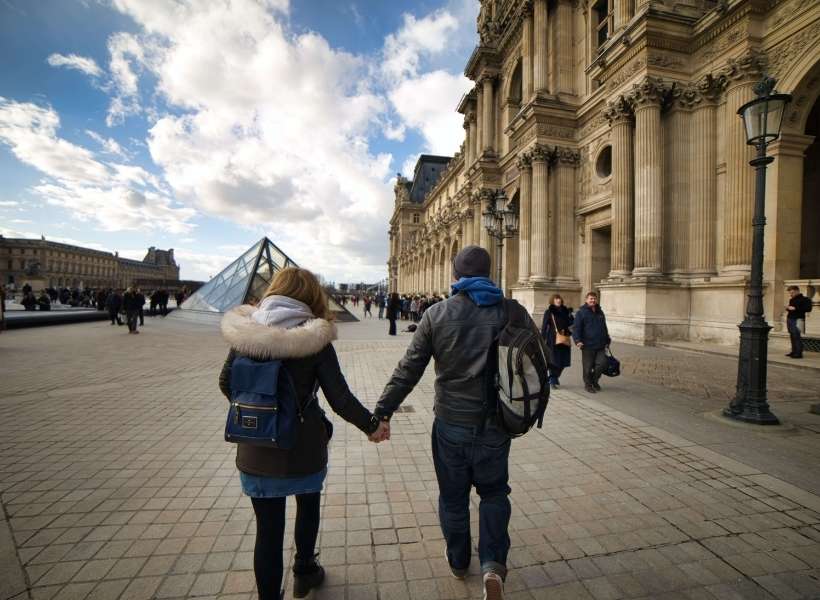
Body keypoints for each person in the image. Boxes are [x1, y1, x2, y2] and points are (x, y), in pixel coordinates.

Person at [375, 245, 535, 600]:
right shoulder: (512, 310)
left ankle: (459, 560)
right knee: (494, 493)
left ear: (456, 276)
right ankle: (493, 565)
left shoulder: (437, 314)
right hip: (497, 423)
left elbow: (408, 370)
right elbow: (542, 360)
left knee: (453, 497)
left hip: (450, 424)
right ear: (489, 273)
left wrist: (382, 412)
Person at [218, 267, 387, 600]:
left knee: (267, 531)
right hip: (303, 444)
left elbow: (226, 383)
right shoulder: (314, 338)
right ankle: (305, 570)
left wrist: (261, 410)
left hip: (256, 445)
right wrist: (373, 425)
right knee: (308, 505)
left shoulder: (246, 332)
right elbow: (340, 398)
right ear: (310, 295)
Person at [572, 291, 611, 394]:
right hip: (587, 345)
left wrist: (607, 339)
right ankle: (588, 384)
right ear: (586, 300)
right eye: (591, 299)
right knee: (588, 367)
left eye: (594, 299)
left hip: (601, 344)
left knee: (602, 364)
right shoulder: (581, 312)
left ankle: (594, 381)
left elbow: (604, 327)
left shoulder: (600, 312)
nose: (593, 300)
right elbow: (576, 328)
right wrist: (577, 340)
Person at [541, 294, 573, 389]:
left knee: (563, 361)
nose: (558, 300)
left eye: (559, 299)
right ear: (552, 301)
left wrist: (571, 317)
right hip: (553, 339)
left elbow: (571, 324)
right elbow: (544, 327)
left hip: (564, 338)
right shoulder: (549, 312)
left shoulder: (566, 311)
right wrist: (543, 339)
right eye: (556, 299)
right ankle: (553, 380)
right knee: (554, 361)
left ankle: (554, 377)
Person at [785, 285, 813, 359]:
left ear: (797, 291)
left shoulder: (805, 299)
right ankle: (793, 351)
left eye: (792, 293)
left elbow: (808, 309)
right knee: (792, 336)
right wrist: (788, 308)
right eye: (790, 293)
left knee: (797, 336)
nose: (791, 294)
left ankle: (798, 353)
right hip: (790, 319)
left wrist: (795, 308)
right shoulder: (792, 299)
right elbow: (790, 309)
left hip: (798, 319)